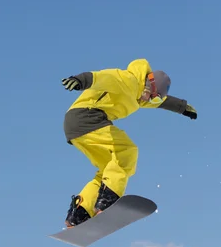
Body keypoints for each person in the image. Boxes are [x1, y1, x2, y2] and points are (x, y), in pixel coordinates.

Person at [60, 58, 197, 228]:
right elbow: (104, 77)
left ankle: (80, 213)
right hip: (87, 118)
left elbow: (162, 102)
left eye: (153, 100)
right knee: (126, 151)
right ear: (149, 83)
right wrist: (81, 80)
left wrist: (182, 107)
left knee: (108, 170)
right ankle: (108, 200)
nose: (148, 100)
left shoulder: (141, 97)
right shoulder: (129, 80)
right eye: (151, 96)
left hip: (77, 125)